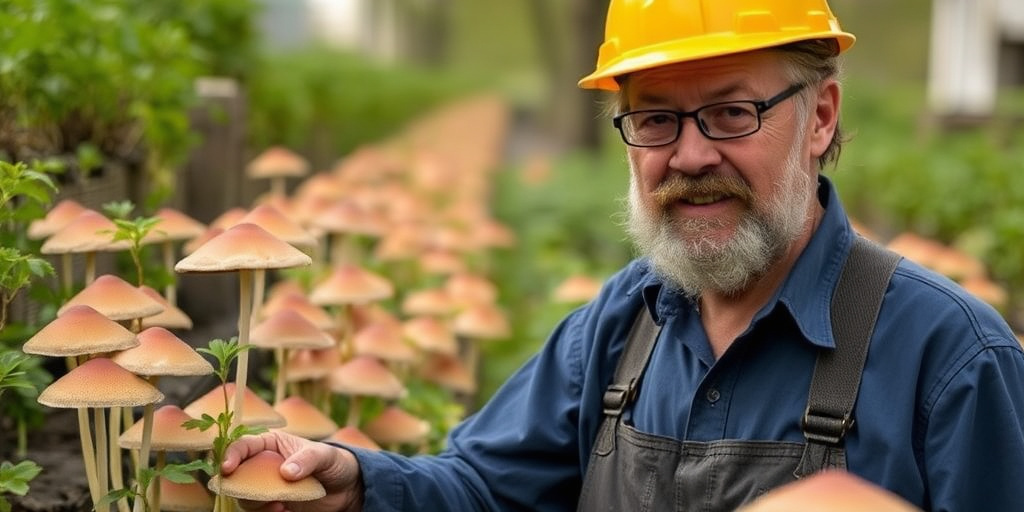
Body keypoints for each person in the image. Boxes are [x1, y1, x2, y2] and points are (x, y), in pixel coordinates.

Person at [222, 1, 1024, 510]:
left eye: (732, 112)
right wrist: (358, 478)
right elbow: (483, 488)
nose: (691, 155)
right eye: (655, 121)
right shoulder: (618, 329)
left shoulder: (950, 359)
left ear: (821, 118)